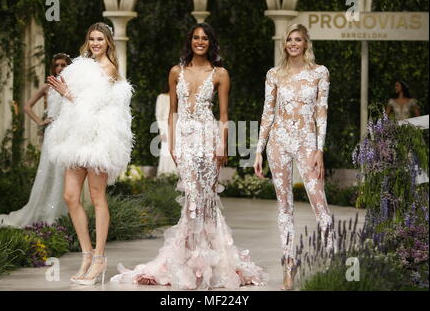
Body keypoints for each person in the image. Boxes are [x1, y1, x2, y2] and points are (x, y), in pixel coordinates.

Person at [111, 23, 268, 290]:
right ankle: (187, 260)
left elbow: (224, 115)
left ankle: (211, 261)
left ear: (211, 43)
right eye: (195, 37)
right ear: (190, 41)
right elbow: (172, 110)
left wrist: (223, 146)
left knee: (207, 199)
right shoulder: (176, 72)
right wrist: (172, 144)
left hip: (209, 139)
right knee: (191, 199)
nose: (200, 41)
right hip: (184, 139)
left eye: (205, 38)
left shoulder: (220, 73)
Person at [45, 22, 134, 286]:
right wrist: (64, 94)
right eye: (92, 39)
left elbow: (95, 107)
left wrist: (68, 93)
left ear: (108, 42)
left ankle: (99, 257)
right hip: (77, 137)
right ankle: (86, 253)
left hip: (98, 139)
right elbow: (72, 106)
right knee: (70, 196)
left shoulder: (108, 69)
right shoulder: (82, 67)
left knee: (97, 196)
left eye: (100, 39)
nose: (96, 43)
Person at [253, 23, 336, 290]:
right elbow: (267, 112)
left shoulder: (319, 73)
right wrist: (258, 150)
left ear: (306, 44)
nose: (293, 43)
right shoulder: (274, 74)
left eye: (298, 39)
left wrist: (319, 149)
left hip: (307, 142)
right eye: (289, 39)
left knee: (318, 201)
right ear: (285, 44)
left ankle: (333, 262)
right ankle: (289, 267)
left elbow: (321, 112)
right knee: (284, 208)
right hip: (277, 143)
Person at [0, 53, 71, 230]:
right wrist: (40, 121)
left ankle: (64, 214)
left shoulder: (71, 87)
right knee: (49, 171)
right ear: (53, 68)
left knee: (64, 173)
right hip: (53, 133)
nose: (60, 68)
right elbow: (27, 106)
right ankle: (47, 214)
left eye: (63, 65)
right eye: (57, 65)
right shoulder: (47, 87)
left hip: (67, 134)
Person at [155, 82, 177, 176]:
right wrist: (161, 130)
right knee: (166, 149)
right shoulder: (162, 97)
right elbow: (158, 115)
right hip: (165, 125)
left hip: (177, 125)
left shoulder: (179, 99)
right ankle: (165, 173)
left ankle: (176, 173)